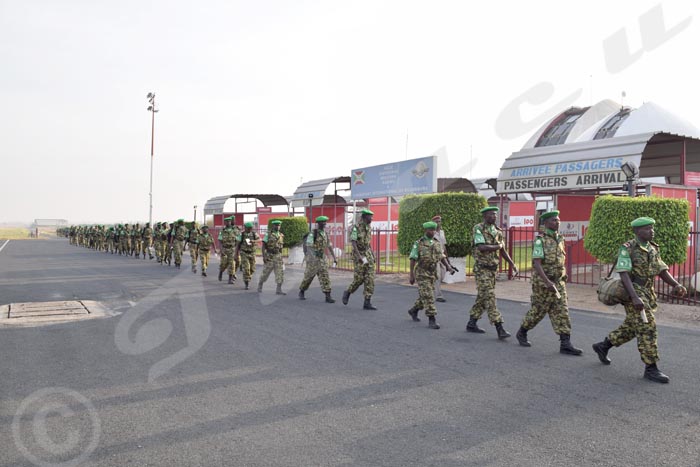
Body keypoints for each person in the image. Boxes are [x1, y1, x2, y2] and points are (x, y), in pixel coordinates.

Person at [592, 217, 687, 383]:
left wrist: (676, 284)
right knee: (647, 326)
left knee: (633, 326)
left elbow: (662, 270)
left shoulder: (652, 248)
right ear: (637, 231)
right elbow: (623, 273)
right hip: (632, 291)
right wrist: (634, 297)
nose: (652, 231)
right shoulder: (627, 248)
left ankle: (603, 346)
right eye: (647, 229)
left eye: (652, 228)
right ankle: (651, 368)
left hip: (647, 292)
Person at [515, 210, 582, 355]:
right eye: (553, 220)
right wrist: (547, 282)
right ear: (545, 223)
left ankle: (565, 343)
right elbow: (537, 263)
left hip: (559, 282)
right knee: (538, 311)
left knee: (562, 311)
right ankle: (522, 332)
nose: (557, 222)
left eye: (558, 220)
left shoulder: (560, 239)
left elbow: (559, 260)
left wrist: (563, 275)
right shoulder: (540, 240)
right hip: (543, 283)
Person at [466, 206, 518, 339]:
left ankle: (472, 323)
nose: (494, 217)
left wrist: (512, 264)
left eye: (495, 214)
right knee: (489, 297)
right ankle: (499, 327)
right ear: (484, 216)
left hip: (492, 270)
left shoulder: (497, 231)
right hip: (482, 269)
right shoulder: (478, 228)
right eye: (491, 214)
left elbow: (502, 251)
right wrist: (497, 246)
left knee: (483, 297)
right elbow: (481, 247)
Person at [407, 221, 456, 329]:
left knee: (424, 295)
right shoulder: (418, 243)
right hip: (422, 273)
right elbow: (413, 259)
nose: (433, 232)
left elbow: (442, 256)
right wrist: (411, 275)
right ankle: (432, 319)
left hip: (432, 273)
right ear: (426, 230)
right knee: (429, 295)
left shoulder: (437, 243)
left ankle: (414, 310)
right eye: (430, 230)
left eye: (434, 230)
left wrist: (448, 267)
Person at [342, 209, 377, 310]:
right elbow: (353, 242)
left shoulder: (368, 227)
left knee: (370, 279)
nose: (372, 218)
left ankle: (367, 302)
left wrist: (373, 255)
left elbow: (368, 242)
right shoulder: (355, 228)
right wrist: (359, 256)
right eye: (370, 216)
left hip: (368, 255)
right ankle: (348, 292)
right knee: (359, 279)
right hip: (359, 255)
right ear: (365, 217)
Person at [299, 216, 337, 303]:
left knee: (325, 276)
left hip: (322, 258)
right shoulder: (313, 234)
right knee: (309, 277)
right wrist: (312, 257)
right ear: (318, 223)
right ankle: (302, 291)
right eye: (323, 222)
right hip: (313, 259)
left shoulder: (326, 234)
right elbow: (308, 245)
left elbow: (329, 246)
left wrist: (334, 257)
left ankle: (328, 296)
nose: (324, 223)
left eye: (325, 222)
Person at [258, 220, 286, 294]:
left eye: (279, 225)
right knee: (265, 273)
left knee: (280, 273)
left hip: (278, 256)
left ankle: (278, 289)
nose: (278, 226)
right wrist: (263, 256)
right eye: (276, 225)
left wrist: (282, 257)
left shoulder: (281, 235)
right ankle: (260, 284)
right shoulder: (268, 234)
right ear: (273, 226)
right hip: (270, 256)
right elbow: (263, 245)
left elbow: (280, 248)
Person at [432, 215, 454, 303]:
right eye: (436, 222)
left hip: (442, 257)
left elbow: (444, 247)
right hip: (434, 258)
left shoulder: (442, 232)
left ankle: (430, 288)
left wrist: (448, 261)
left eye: (439, 221)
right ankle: (438, 295)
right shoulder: (431, 233)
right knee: (437, 276)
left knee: (442, 275)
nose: (438, 223)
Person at [235, 222, 261, 290]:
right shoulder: (242, 234)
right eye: (248, 228)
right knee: (246, 268)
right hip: (244, 253)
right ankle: (246, 283)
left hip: (252, 253)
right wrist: (236, 254)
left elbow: (260, 239)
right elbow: (237, 245)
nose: (250, 229)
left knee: (252, 269)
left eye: (251, 228)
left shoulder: (254, 233)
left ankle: (248, 277)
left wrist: (254, 241)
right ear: (245, 228)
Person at [218, 217, 238, 284]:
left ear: (230, 222)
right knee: (223, 264)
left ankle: (230, 279)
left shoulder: (235, 231)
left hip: (232, 249)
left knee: (232, 264)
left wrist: (237, 250)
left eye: (229, 221)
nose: (228, 222)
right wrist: (221, 250)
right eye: (226, 221)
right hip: (224, 249)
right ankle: (221, 272)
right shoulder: (222, 231)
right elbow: (220, 241)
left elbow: (238, 240)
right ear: (225, 223)